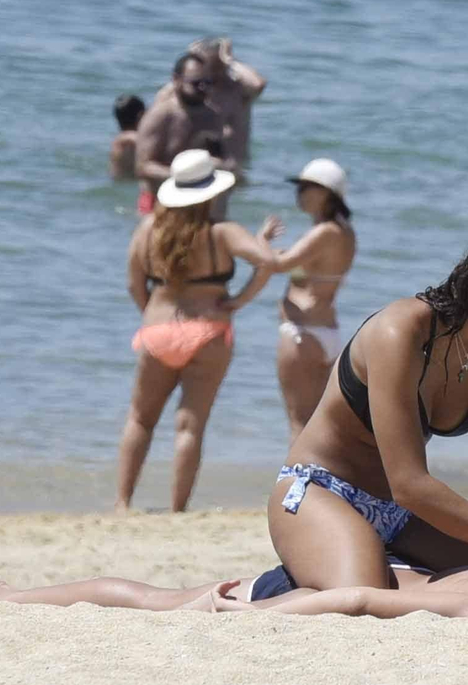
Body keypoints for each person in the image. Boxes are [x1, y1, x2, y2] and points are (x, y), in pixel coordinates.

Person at [267, 220, 468, 594]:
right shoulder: (401, 331)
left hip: (401, 515)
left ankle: (375, 562)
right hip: (320, 492)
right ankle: (254, 592)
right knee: (365, 597)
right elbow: (409, 484)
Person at [0, 517, 468, 623]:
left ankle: (9, 591)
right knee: (161, 602)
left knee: (160, 598)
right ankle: (4, 593)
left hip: (361, 574)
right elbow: (358, 599)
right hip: (311, 591)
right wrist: (259, 619)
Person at [118, 150, 279, 513]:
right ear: (212, 192)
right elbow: (267, 262)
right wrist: (238, 300)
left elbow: (133, 282)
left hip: (157, 329)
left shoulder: (149, 228)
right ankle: (178, 508)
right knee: (190, 426)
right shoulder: (222, 232)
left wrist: (151, 314)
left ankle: (122, 502)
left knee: (141, 418)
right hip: (209, 330)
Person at [234, 159, 357, 440]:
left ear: (326, 193)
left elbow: (278, 265)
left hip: (302, 334)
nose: (298, 193)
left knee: (299, 424)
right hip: (328, 333)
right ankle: (319, 482)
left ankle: (295, 484)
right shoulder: (344, 232)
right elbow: (297, 265)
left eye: (305, 187)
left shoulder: (324, 232)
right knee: (320, 425)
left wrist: (260, 239)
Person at [134, 53, 229, 215]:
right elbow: (143, 167)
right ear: (176, 80)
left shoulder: (214, 116)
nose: (203, 88)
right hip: (157, 200)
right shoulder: (160, 115)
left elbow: (219, 157)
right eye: (196, 83)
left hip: (197, 201)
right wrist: (183, 175)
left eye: (208, 82)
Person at [155, 36, 267, 170]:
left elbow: (258, 84)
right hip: (191, 169)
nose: (210, 71)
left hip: (232, 170)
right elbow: (161, 100)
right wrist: (190, 65)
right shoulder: (188, 91)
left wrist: (229, 60)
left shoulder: (237, 90)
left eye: (214, 65)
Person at [109, 95, 145, 180]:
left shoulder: (120, 138)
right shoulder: (127, 138)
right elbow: (143, 141)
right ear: (141, 116)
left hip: (121, 182)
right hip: (124, 182)